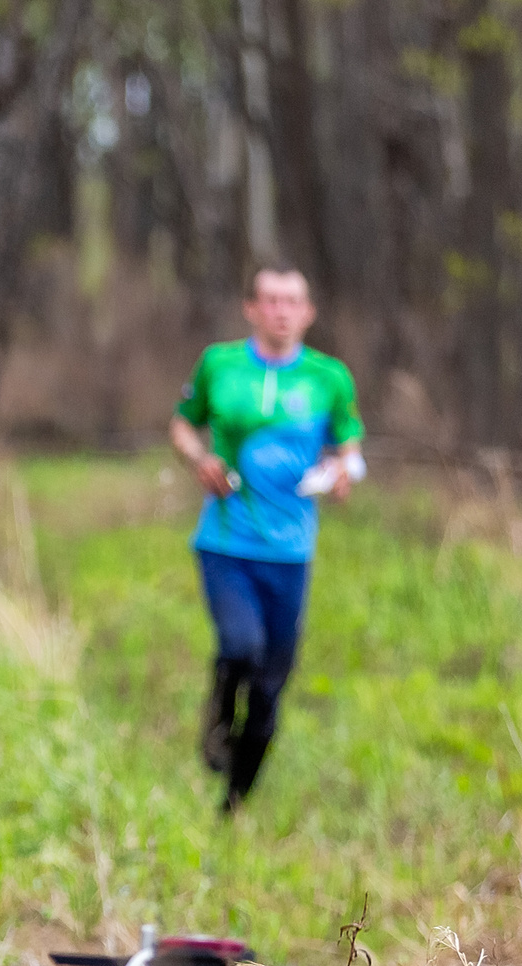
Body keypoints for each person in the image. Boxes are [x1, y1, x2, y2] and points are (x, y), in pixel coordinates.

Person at [168, 263, 363, 812]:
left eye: (291, 301)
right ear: (251, 309)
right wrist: (198, 458)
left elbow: (350, 447)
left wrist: (346, 471)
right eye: (270, 300)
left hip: (291, 551)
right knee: (241, 648)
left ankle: (234, 800)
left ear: (308, 313)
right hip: (227, 542)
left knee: (273, 686)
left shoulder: (329, 378)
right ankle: (219, 710)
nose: (281, 310)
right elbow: (183, 423)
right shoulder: (220, 365)